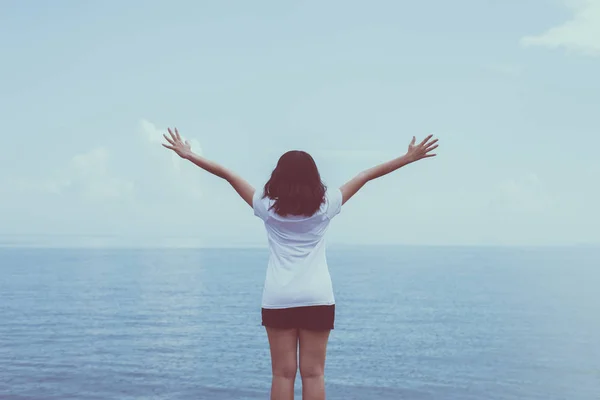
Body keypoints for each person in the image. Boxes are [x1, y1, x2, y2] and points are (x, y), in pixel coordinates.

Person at [162, 128, 438, 400]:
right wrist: (407, 158)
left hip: (278, 296)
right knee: (314, 374)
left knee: (282, 374)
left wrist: (188, 155)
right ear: (313, 177)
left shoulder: (265, 207)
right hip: (317, 296)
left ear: (278, 177)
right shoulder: (327, 205)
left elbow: (228, 175)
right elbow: (365, 176)